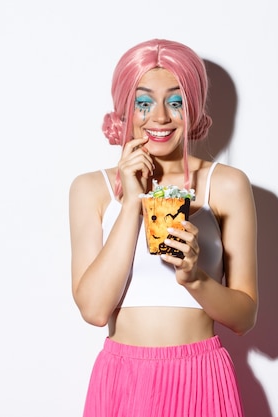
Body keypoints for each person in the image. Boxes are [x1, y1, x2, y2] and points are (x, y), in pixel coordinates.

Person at [69, 38, 258, 417]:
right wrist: (133, 203)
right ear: (126, 108)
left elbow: (244, 317)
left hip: (201, 376)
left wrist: (194, 278)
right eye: (143, 102)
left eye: (176, 102)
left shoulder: (227, 184)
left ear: (194, 107)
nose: (159, 117)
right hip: (122, 381)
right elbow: (93, 310)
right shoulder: (91, 189)